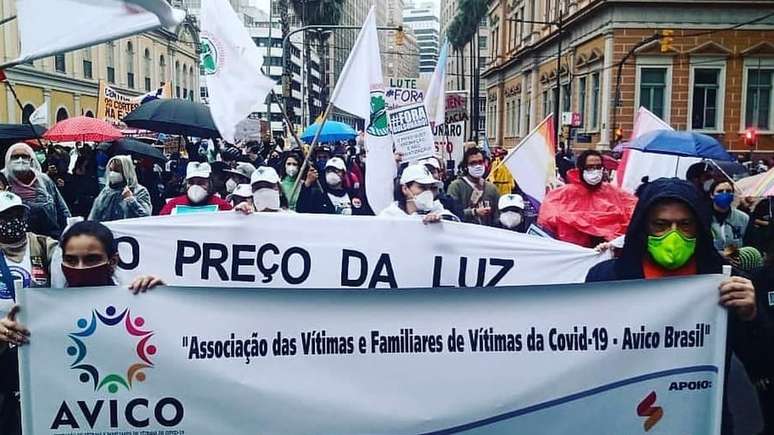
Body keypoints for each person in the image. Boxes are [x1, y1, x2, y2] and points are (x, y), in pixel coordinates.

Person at [585, 178, 771, 434]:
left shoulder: (727, 284)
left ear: (699, 227)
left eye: (685, 224)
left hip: (703, 419)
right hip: (623, 417)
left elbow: (760, 362)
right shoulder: (606, 279)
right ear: (643, 227)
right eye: (660, 225)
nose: (673, 234)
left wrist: (752, 316)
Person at [0, 220, 162, 435]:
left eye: (91, 259)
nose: (80, 268)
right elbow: (15, 377)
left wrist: (164, 302)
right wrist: (3, 341)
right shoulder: (40, 315)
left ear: (112, 261)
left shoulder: (139, 307)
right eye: (71, 260)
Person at [538, 150, 637, 248]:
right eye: (590, 167)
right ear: (580, 169)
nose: (595, 170)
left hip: (608, 250)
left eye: (598, 167)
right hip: (574, 253)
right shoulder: (561, 194)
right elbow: (547, 220)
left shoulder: (614, 192)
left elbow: (634, 210)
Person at [2, 143, 71, 239]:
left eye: (24, 156)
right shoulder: (2, 181)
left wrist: (69, 233)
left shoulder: (44, 180)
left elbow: (62, 209)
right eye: (15, 157)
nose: (20, 160)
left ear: (31, 159)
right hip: (13, 243)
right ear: (8, 159)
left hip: (49, 239)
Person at [379, 164, 456, 223]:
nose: (427, 192)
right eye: (422, 187)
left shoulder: (436, 209)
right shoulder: (389, 216)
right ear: (405, 189)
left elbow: (453, 222)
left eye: (430, 188)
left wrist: (441, 220)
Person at [88, 156, 152, 222]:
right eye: (111, 170)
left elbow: (146, 216)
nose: (112, 173)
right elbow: (94, 215)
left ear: (126, 171)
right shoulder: (106, 191)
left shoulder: (139, 191)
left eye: (116, 171)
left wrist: (131, 200)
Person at [296, 157, 369, 215]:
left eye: (335, 171)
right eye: (328, 171)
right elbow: (301, 209)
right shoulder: (319, 195)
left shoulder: (352, 195)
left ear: (343, 174)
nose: (331, 173)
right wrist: (307, 184)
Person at [447, 147, 500, 226]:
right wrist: (474, 212)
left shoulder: (492, 189)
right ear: (466, 166)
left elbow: (497, 216)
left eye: (480, 162)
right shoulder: (455, 187)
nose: (478, 166)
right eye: (473, 163)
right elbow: (451, 214)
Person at [159, 162, 232, 215]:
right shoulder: (173, 205)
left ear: (210, 183)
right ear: (186, 183)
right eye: (191, 182)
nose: (195, 186)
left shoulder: (222, 206)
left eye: (201, 183)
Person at [709, 180, 749, 255]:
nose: (724, 194)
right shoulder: (703, 217)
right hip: (711, 263)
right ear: (712, 195)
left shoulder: (743, 218)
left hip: (736, 262)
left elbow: (749, 244)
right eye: (720, 191)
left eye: (728, 191)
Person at [61, 153, 100, 219]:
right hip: (74, 209)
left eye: (85, 167)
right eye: (81, 166)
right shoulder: (72, 178)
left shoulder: (91, 180)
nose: (82, 169)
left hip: (85, 209)